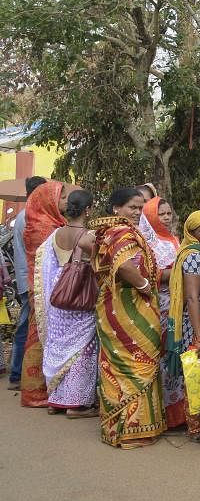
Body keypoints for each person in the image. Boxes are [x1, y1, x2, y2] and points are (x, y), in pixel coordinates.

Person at [92, 188, 165, 448]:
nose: (136, 212)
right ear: (115, 209)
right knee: (133, 362)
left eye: (139, 207)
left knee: (126, 363)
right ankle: (131, 429)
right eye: (131, 207)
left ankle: (125, 427)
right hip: (127, 305)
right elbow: (124, 266)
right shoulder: (121, 232)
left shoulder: (108, 232)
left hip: (117, 305)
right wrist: (145, 285)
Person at [37, 189, 98, 418]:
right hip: (80, 293)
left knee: (60, 345)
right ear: (88, 210)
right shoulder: (88, 235)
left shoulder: (55, 235)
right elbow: (98, 263)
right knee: (83, 348)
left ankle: (55, 400)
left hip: (58, 292)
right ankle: (76, 404)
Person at [166, 210, 200, 444]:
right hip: (198, 319)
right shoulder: (193, 256)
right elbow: (192, 297)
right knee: (197, 371)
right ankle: (197, 426)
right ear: (191, 233)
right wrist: (199, 334)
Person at [19, 178, 67, 408]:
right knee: (40, 336)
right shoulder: (44, 228)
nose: (66, 202)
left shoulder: (47, 222)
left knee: (41, 336)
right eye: (62, 198)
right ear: (49, 201)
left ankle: (43, 389)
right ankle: (36, 392)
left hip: (41, 287)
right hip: (44, 289)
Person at [139, 197, 184, 426]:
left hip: (177, 304)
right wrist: (178, 272)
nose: (167, 217)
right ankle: (160, 412)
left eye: (168, 213)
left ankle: (177, 412)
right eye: (161, 214)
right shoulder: (148, 243)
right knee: (162, 354)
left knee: (175, 355)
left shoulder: (174, 239)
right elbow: (147, 274)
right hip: (159, 305)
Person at [7, 175, 45, 391]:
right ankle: (16, 374)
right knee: (25, 325)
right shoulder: (28, 216)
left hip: (28, 279)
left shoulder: (30, 215)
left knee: (29, 325)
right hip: (29, 280)